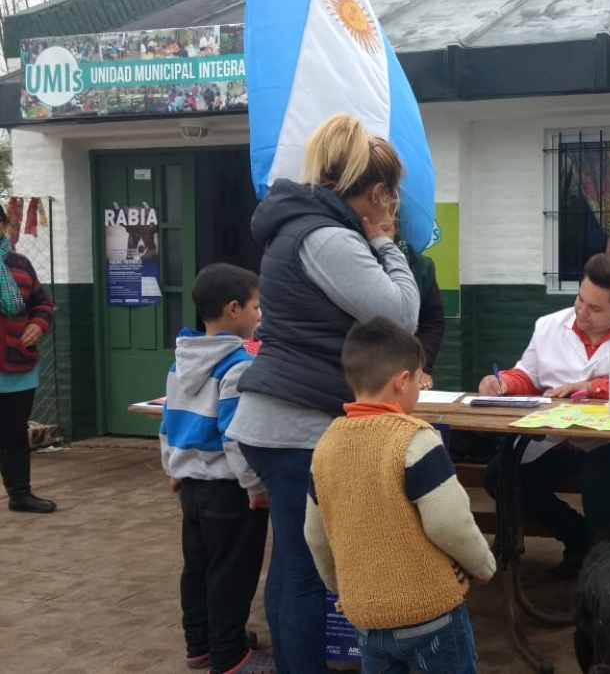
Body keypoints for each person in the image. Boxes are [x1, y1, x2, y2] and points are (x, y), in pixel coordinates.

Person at [227, 113, 421, 674]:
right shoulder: (330, 237)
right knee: (307, 572)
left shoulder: (299, 227)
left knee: (292, 564)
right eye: (391, 196)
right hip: (299, 429)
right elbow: (401, 315)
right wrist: (385, 243)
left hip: (277, 420)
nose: (393, 207)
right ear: (376, 192)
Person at [304, 317, 494, 674]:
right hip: (431, 615)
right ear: (402, 381)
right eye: (420, 379)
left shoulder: (325, 446)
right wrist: (482, 564)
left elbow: (315, 536)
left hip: (367, 621)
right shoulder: (416, 440)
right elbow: (449, 523)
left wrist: (345, 588)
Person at [478, 252, 610, 579]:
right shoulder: (550, 326)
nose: (582, 312)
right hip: (566, 438)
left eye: (595, 309)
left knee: (601, 474)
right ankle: (581, 541)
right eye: (580, 300)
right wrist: (503, 382)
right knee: (501, 475)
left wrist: (591, 387)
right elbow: (528, 375)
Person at [160, 263, 272, 674]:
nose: (260, 315)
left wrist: (173, 468)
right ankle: (231, 657)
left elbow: (168, 425)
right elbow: (236, 436)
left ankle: (200, 646)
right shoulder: (237, 366)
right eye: (256, 307)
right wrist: (256, 486)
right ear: (232, 310)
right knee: (232, 575)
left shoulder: (181, 362)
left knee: (198, 569)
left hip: (190, 488)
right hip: (229, 490)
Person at [0, 209, 56, 513]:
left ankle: (19, 494)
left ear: (5, 226)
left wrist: (39, 324)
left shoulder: (20, 264)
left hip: (17, 363)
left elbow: (43, 302)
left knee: (12, 431)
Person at [378, 217, 444, 390]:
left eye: (384, 227)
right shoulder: (353, 258)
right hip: (363, 368)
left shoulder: (421, 266)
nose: (376, 232)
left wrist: (422, 366)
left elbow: (432, 322)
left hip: (407, 365)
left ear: (396, 226)